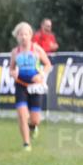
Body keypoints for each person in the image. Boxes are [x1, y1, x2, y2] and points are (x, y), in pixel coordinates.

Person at [10, 21, 53, 151]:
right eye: (20, 34)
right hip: (21, 85)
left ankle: (33, 127)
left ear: (30, 35)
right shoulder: (15, 52)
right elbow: (11, 69)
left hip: (35, 86)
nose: (23, 37)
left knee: (35, 120)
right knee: (22, 116)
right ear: (17, 36)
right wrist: (13, 73)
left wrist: (41, 75)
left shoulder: (37, 49)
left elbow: (48, 64)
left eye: (26, 34)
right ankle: (26, 144)